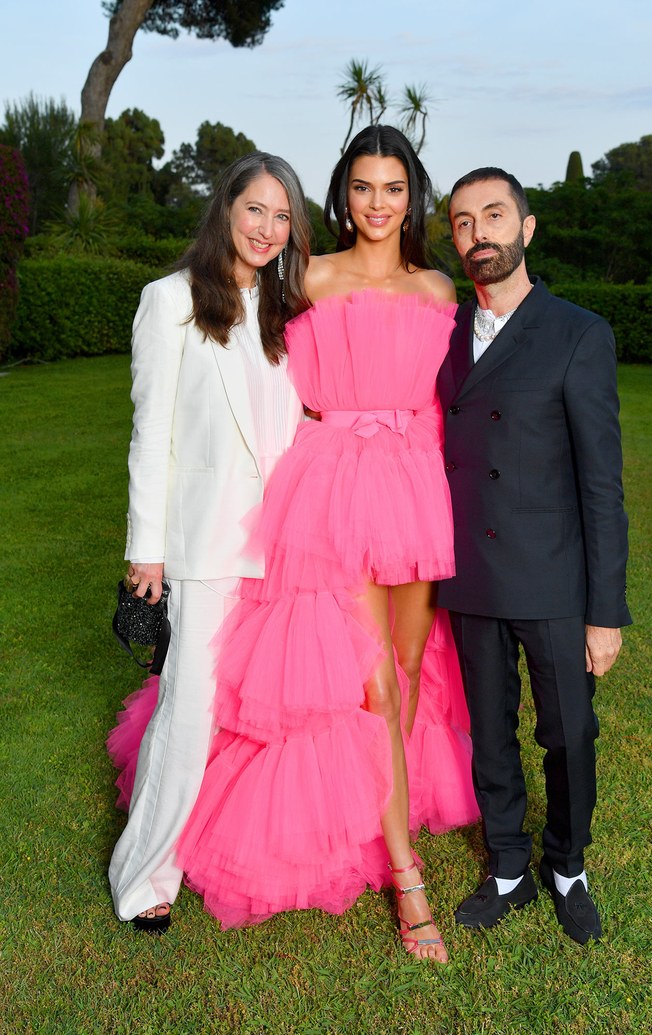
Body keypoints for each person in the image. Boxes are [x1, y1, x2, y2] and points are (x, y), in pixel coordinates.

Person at [174, 126, 479, 963]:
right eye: (361, 188)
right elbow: (233, 339)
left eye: (392, 188)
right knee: (372, 681)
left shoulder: (437, 286)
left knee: (412, 670)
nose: (376, 205)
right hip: (332, 485)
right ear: (342, 195)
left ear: (411, 195)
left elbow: (453, 394)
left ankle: (384, 810)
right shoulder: (304, 276)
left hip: (415, 482)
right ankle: (408, 879)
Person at [107, 152, 311, 933]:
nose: (266, 227)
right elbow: (149, 432)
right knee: (187, 713)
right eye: (254, 208)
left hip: (278, 549)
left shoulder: (283, 312)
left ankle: (229, 851)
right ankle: (143, 873)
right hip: (201, 550)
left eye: (281, 215)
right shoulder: (170, 301)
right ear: (225, 207)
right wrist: (145, 551)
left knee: (249, 715)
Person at [438, 167, 631, 944]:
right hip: (471, 573)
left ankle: (568, 862)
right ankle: (510, 865)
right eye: (461, 222)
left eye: (493, 215)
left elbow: (602, 486)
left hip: (553, 575)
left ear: (527, 227)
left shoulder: (578, 333)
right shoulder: (445, 333)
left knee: (568, 733)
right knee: (490, 730)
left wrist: (603, 612)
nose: (478, 232)